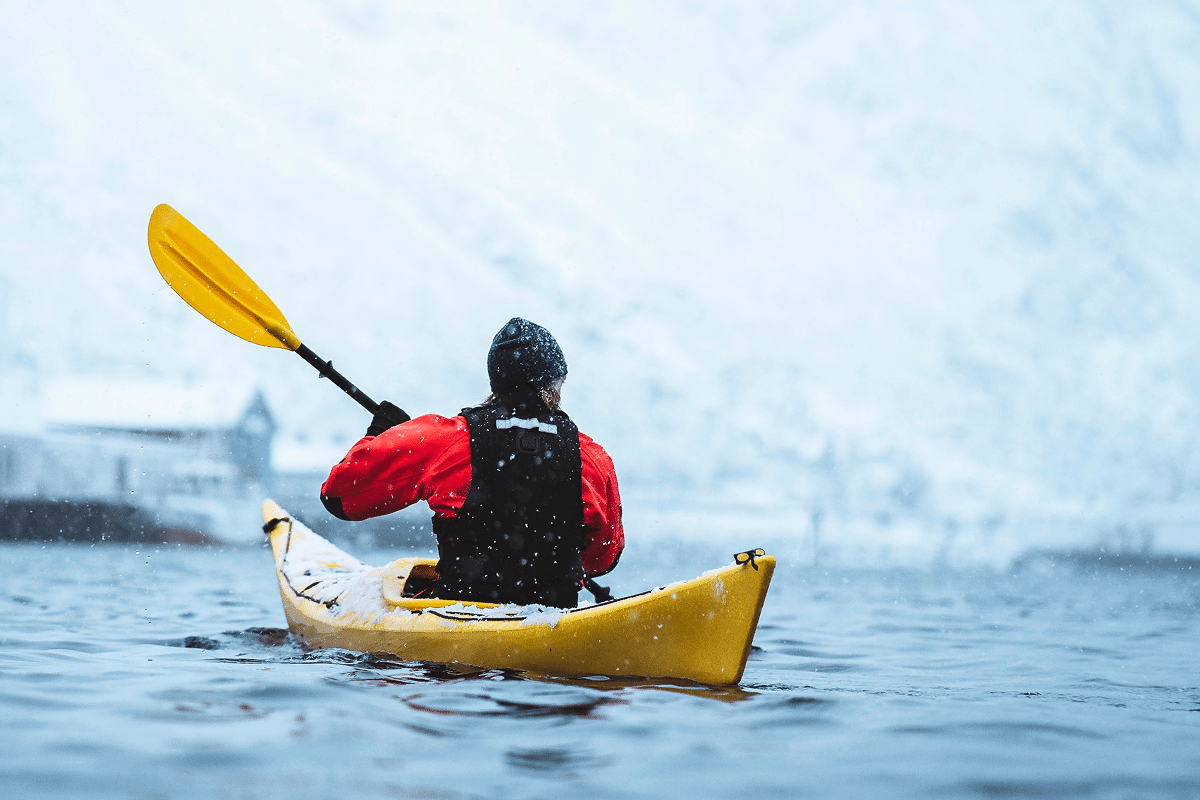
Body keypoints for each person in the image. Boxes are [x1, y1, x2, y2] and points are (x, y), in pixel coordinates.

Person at [320, 318, 623, 608]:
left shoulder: (445, 440)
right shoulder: (592, 457)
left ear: (498, 381)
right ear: (553, 383)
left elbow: (338, 497)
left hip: (461, 611)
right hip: (552, 616)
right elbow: (601, 561)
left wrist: (377, 438)